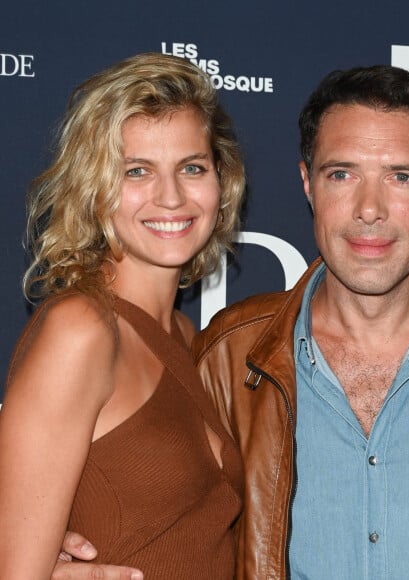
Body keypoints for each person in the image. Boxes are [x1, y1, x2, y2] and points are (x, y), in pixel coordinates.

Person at [54, 65, 409, 579]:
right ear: (308, 182)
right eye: (342, 174)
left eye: (401, 176)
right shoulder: (228, 354)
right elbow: (157, 508)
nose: (369, 209)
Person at [0, 52, 245, 579]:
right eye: (137, 171)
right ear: (94, 188)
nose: (172, 196)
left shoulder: (186, 335)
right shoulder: (82, 329)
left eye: (192, 167)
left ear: (220, 182)